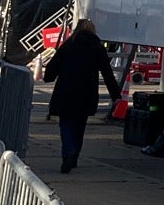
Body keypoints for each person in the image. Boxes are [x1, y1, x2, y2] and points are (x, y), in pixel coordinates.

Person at [43, 19, 121, 174]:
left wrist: (48, 77)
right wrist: (115, 95)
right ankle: (75, 154)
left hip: (65, 90)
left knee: (66, 124)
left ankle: (68, 153)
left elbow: (53, 65)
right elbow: (107, 72)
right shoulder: (97, 47)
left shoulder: (68, 45)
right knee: (80, 125)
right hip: (87, 92)